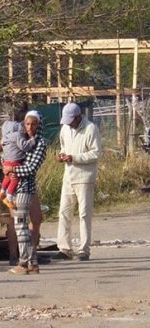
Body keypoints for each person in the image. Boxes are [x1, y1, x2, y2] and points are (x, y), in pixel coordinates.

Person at [52, 103, 101, 262]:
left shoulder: (90, 128)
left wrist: (75, 158)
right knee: (64, 212)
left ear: (79, 116)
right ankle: (64, 248)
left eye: (71, 120)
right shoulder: (65, 129)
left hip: (84, 178)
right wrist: (61, 156)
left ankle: (83, 250)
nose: (69, 123)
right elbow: (63, 147)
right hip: (69, 176)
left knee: (84, 214)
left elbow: (96, 153)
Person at [0, 110, 47, 274]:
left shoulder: (40, 143)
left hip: (25, 188)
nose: (30, 127)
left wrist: (11, 170)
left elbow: (31, 168)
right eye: (27, 123)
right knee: (20, 225)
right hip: (15, 187)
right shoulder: (19, 138)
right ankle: (32, 263)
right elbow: (6, 154)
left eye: (34, 124)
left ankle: (24, 262)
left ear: (39, 125)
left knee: (21, 224)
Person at [0, 120, 37, 210]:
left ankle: (2, 191)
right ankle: (9, 197)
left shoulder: (4, 138)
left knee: (7, 177)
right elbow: (24, 146)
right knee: (15, 179)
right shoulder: (16, 135)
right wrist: (32, 140)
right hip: (15, 161)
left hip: (6, 161)